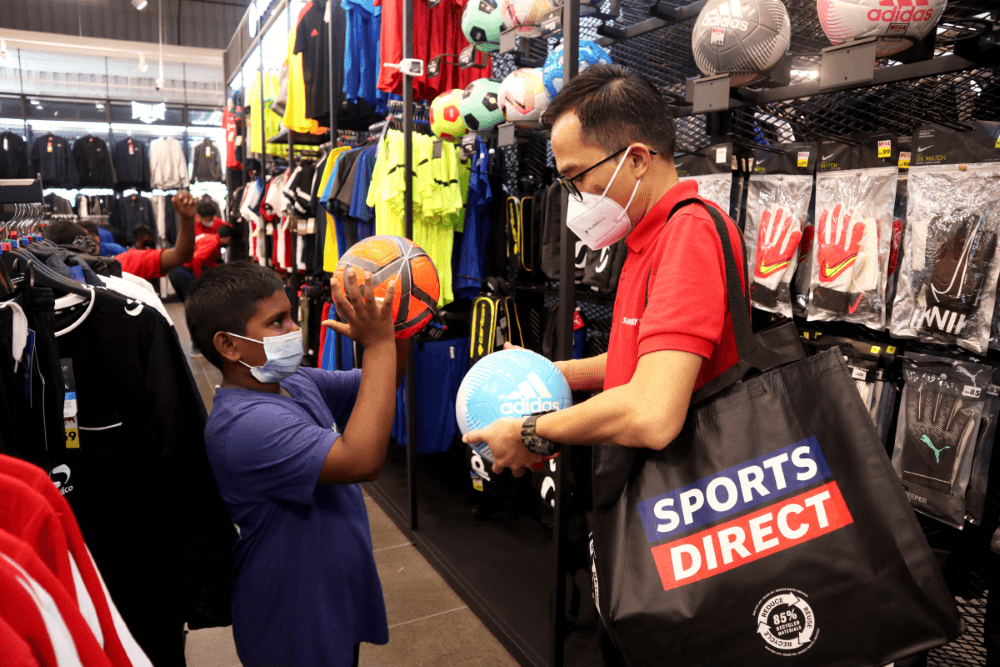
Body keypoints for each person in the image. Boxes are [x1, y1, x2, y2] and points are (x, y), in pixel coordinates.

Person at [460, 64, 745, 665]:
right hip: (654, 508)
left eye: (576, 178)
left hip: (688, 515)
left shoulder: (687, 236)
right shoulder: (650, 234)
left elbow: (651, 412)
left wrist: (532, 430)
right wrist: (553, 371)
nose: (574, 198)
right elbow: (637, 362)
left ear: (636, 158)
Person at [185, 261, 407, 667]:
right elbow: (361, 461)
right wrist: (378, 344)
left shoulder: (291, 381)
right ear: (229, 345)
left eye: (290, 316)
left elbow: (381, 383)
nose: (293, 330)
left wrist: (400, 324)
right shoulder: (244, 425)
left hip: (329, 594)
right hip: (292, 614)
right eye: (276, 322)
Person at [115, 191, 197, 283]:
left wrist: (187, 219)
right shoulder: (123, 261)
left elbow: (180, 256)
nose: (150, 237)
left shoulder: (125, 261)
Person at [168, 224, 233, 300]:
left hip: (175, 269)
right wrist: (198, 278)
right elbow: (196, 259)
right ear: (227, 238)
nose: (228, 242)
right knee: (195, 301)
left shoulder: (208, 237)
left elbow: (207, 261)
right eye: (229, 240)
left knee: (190, 303)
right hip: (182, 270)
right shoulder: (214, 242)